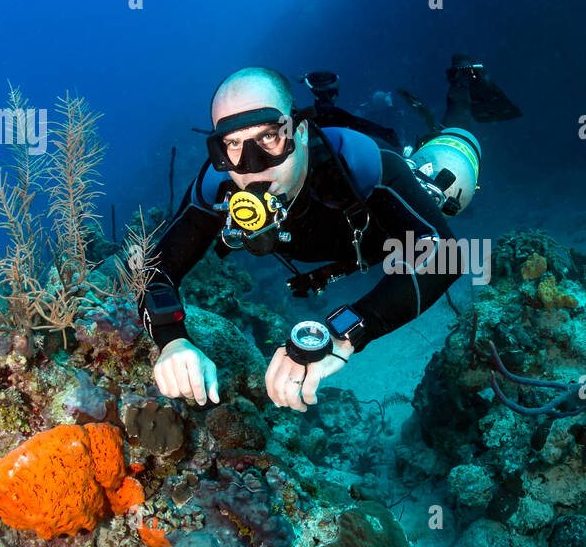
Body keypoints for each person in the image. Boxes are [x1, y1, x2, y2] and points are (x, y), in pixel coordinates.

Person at [138, 56, 519, 413]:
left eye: (270, 137)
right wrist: (171, 339)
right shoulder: (217, 185)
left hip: (384, 234)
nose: (251, 168)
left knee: (455, 165)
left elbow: (446, 255)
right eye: (234, 143)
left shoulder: (362, 163)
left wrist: (343, 333)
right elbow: (154, 271)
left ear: (299, 133)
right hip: (343, 245)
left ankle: (462, 85)